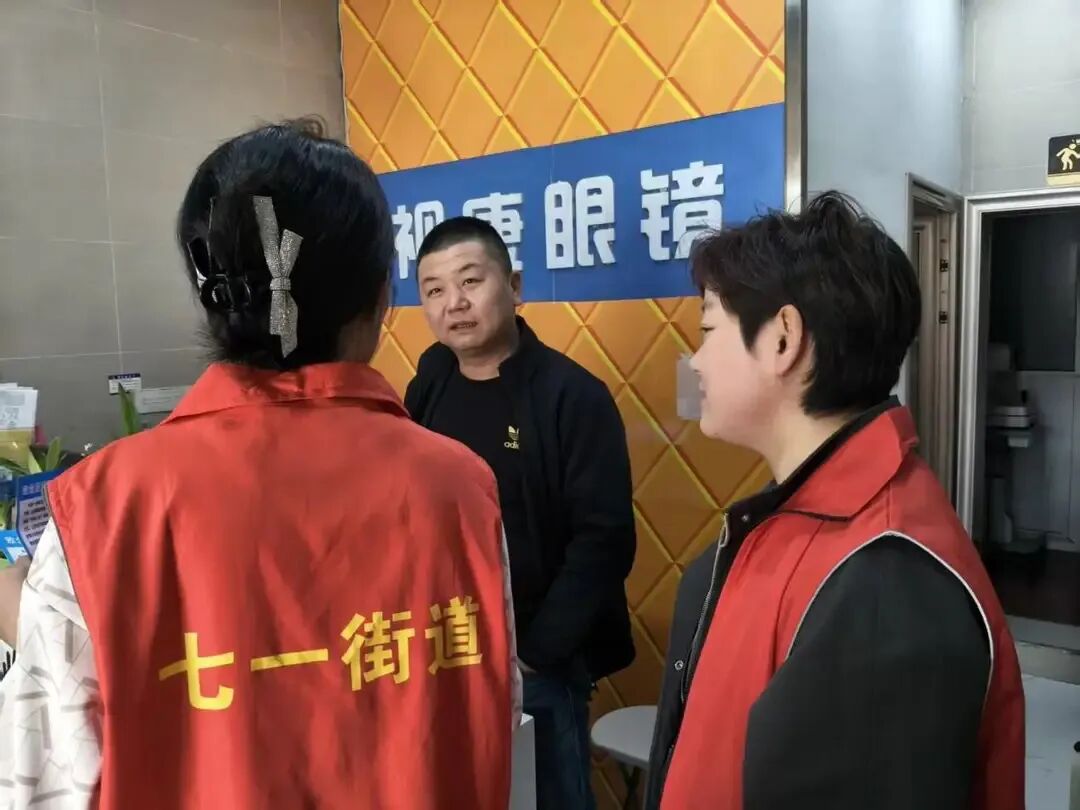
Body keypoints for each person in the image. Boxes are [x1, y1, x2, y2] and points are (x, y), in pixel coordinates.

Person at [0, 120, 519, 810]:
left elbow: (42, 783)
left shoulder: (104, 507)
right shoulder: (462, 488)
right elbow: (496, 713)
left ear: (212, 297)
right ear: (380, 298)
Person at [646, 192, 1025, 810]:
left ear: (783, 338)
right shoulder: (803, 514)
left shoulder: (884, 582)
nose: (698, 361)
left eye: (709, 329)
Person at [405, 217, 636, 810]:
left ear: (514, 286)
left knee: (551, 793)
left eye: (470, 281)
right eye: (434, 290)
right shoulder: (430, 378)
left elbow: (605, 540)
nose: (454, 304)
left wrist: (533, 654)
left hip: (538, 658)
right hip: (450, 644)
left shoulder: (572, 396)